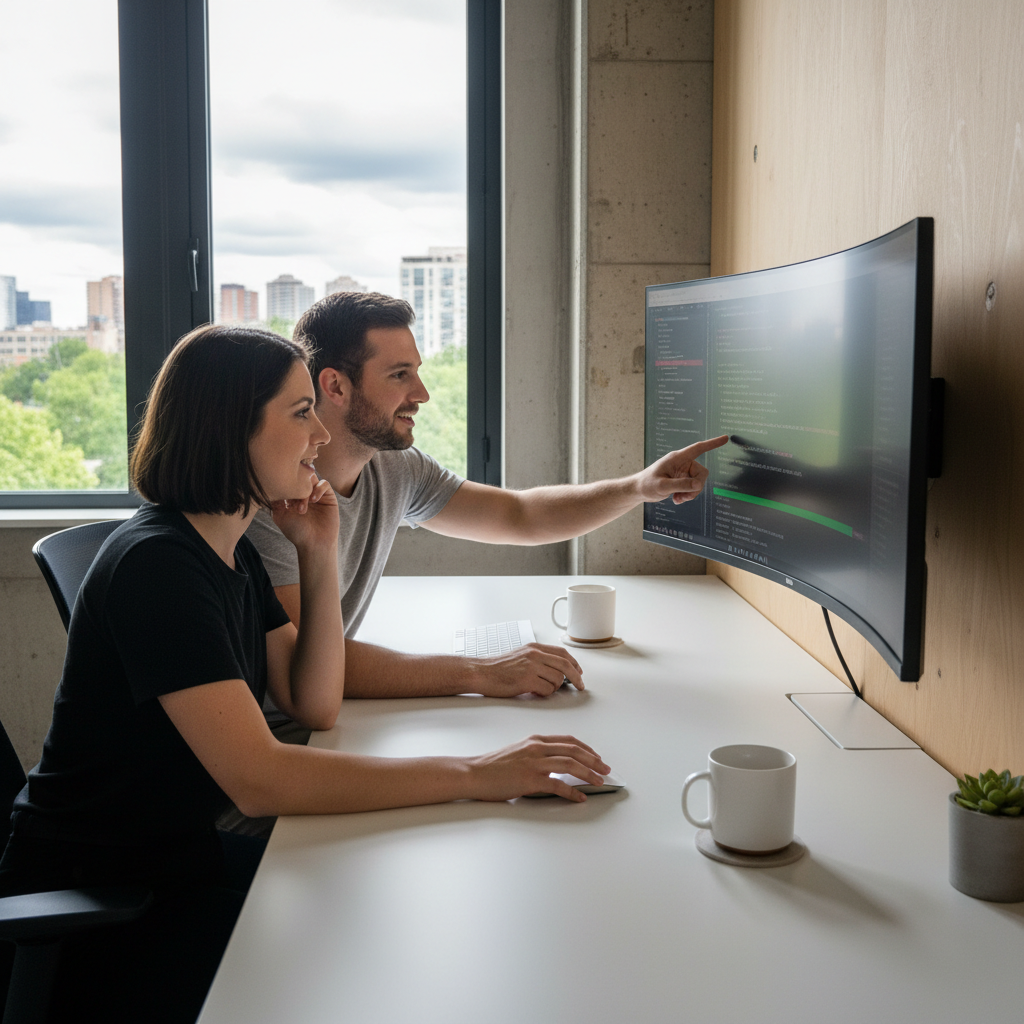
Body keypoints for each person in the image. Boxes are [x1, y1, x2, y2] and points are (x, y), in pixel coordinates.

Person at [0, 324, 608, 1023]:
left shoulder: (226, 548)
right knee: (375, 969)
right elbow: (262, 781)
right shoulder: (159, 567)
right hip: (102, 903)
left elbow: (313, 703)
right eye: (299, 414)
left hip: (172, 862)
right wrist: (477, 773)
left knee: (387, 914)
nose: (320, 436)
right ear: (231, 430)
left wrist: (319, 551)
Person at [247, 291, 727, 716]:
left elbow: (521, 515)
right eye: (399, 375)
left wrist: (638, 488)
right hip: (277, 732)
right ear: (335, 386)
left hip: (329, 721)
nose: (423, 394)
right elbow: (303, 670)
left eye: (417, 372)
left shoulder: (396, 469)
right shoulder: (273, 502)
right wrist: (481, 673)